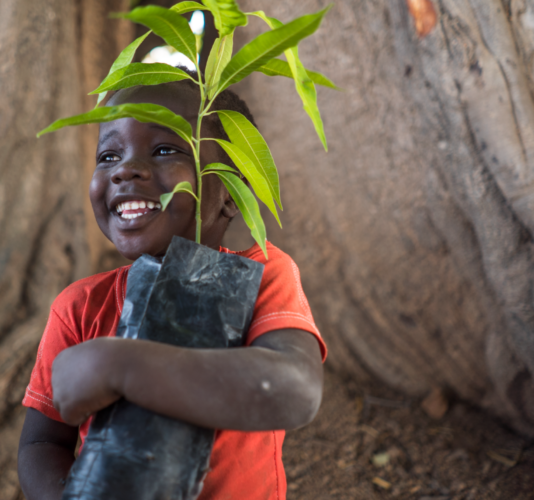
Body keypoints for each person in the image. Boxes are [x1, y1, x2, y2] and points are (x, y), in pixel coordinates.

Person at [17, 77, 326, 500]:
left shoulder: (261, 274)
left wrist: (121, 368)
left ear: (232, 191)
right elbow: (42, 443)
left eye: (166, 150)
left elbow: (295, 390)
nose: (124, 169)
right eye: (109, 155)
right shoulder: (79, 307)